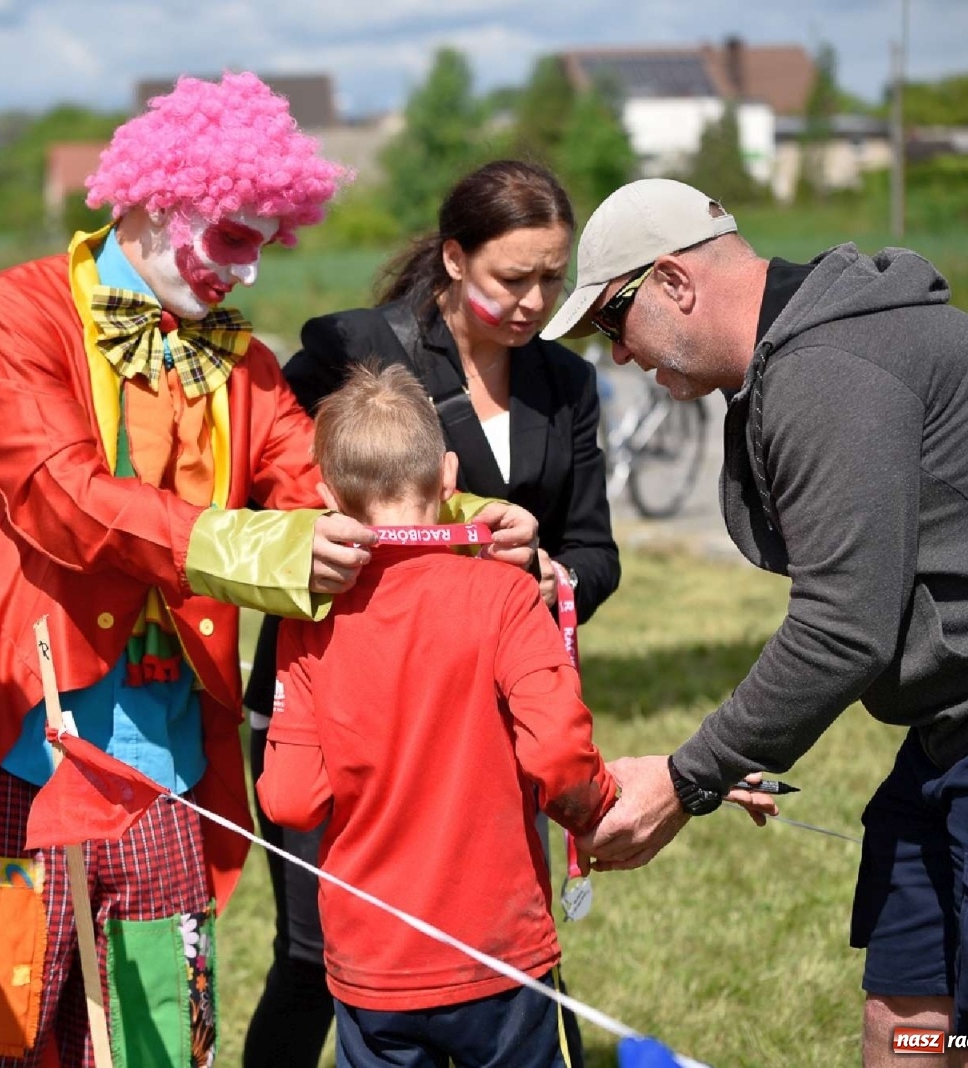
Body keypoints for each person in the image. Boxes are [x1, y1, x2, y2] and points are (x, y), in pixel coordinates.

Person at [0, 73, 542, 1068]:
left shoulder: (239, 367)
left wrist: (452, 525)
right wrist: (250, 549)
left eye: (262, 243)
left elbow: (321, 489)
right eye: (232, 237)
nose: (244, 272)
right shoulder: (8, 320)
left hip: (165, 775)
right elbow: (61, 498)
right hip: (5, 753)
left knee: (152, 1038)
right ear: (157, 202)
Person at [554, 178, 968, 1065]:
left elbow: (842, 629)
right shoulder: (805, 354)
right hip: (958, 729)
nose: (619, 359)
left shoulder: (827, 369)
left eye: (610, 323)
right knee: (904, 1010)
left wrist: (686, 779)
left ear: (674, 281)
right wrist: (729, 756)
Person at [243, 159, 619, 1068]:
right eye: (512, 277)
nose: (535, 300)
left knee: (500, 947)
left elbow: (597, 557)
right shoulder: (352, 355)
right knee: (313, 956)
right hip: (336, 701)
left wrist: (537, 567)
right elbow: (270, 494)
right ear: (454, 258)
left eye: (552, 278)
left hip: (485, 715)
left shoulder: (565, 386)